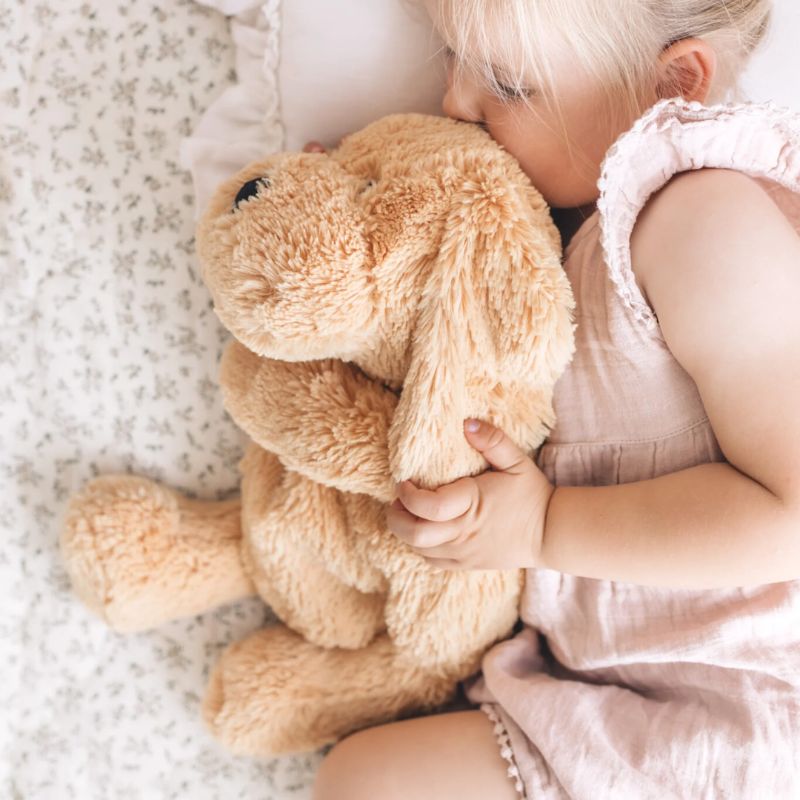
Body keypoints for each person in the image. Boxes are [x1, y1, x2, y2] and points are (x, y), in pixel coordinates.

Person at [311, 1, 800, 797]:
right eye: (449, 56)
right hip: (601, 685)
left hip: (746, 709)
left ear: (670, 82)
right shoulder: (557, 215)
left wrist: (544, 525)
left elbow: (793, 517)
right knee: (363, 782)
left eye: (506, 81)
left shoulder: (706, 222)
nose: (455, 104)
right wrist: (367, 228)